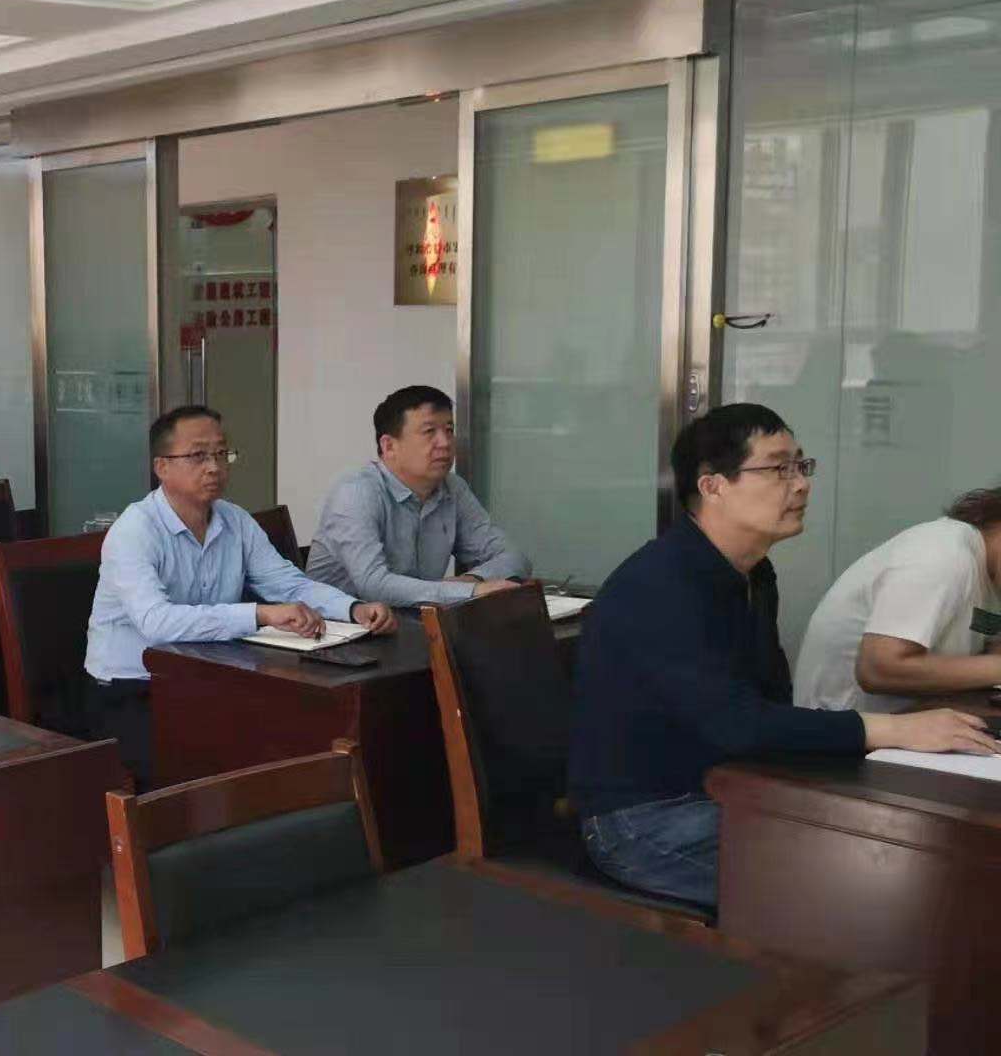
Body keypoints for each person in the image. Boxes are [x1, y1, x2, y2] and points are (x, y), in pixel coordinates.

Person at [570, 404, 1000, 907]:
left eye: (801, 466)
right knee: (883, 891)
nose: (801, 485)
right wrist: (895, 730)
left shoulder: (753, 573)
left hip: (728, 786)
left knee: (913, 857)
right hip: (646, 821)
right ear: (713, 486)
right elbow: (737, 724)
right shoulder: (663, 583)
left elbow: (768, 701)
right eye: (779, 468)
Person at [86, 406, 398, 787]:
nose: (214, 467)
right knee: (218, 766)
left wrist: (353, 608)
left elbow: (289, 584)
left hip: (209, 676)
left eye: (221, 453)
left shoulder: (235, 520)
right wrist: (260, 614)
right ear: (161, 467)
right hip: (133, 688)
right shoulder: (134, 531)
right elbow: (157, 623)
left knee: (293, 741)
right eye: (198, 455)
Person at [306, 385, 531, 605]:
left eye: (449, 430)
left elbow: (514, 557)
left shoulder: (452, 488)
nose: (445, 443)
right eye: (429, 432)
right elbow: (373, 585)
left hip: (413, 619)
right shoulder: (355, 493)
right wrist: (469, 591)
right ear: (389, 446)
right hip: (340, 625)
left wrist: (472, 580)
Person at [793, 487, 1001, 712]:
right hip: (842, 723)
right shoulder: (943, 552)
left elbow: (982, 659)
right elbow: (878, 669)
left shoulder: (990, 573)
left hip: (912, 719)